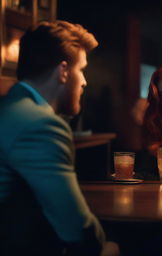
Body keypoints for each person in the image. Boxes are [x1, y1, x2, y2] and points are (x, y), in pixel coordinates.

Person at [0, 20, 119, 256]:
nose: (84, 81)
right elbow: (79, 231)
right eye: (81, 69)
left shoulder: (10, 106)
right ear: (64, 71)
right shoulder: (40, 124)